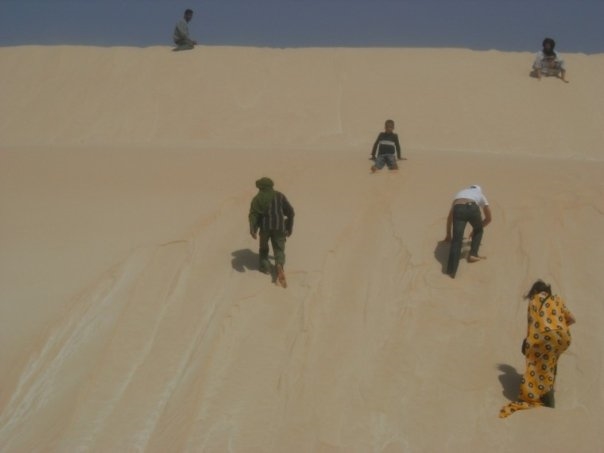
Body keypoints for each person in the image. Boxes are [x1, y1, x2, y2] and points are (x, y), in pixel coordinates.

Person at [499, 280, 576, 418]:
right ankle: (548, 390)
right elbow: (571, 319)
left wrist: (529, 343)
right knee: (551, 361)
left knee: (536, 363)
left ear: (534, 291)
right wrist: (559, 325)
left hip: (544, 336)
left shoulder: (534, 300)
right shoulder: (557, 298)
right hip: (564, 337)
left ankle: (542, 397)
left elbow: (532, 323)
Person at [249, 177, 295, 287]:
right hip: (279, 226)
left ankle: (265, 267)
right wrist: (288, 227)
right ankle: (279, 265)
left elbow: (254, 214)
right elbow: (290, 212)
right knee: (279, 248)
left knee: (264, 248)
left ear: (260, 187)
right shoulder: (280, 196)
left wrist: (253, 229)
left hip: (265, 228)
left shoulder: (257, 199)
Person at [444, 185, 492, 278]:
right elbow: (489, 218)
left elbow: (450, 217)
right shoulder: (479, 194)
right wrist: (475, 230)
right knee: (479, 230)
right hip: (472, 207)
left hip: (458, 208)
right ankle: (473, 254)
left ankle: (451, 272)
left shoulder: (460, 193)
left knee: (456, 240)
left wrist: (448, 234)